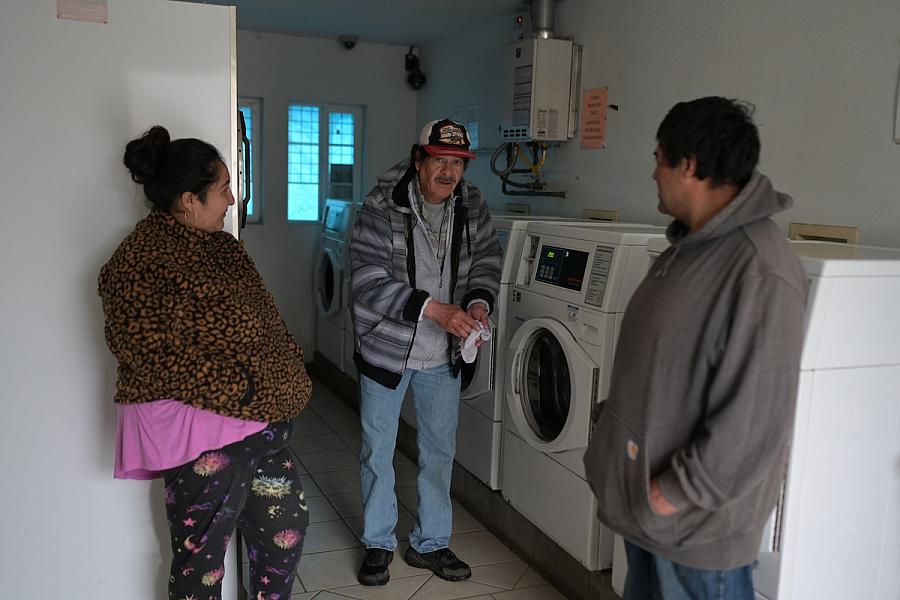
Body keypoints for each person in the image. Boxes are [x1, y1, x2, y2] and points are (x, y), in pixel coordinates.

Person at [583, 97, 808, 599]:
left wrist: (669, 495)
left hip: (695, 539)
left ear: (688, 165)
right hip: (651, 518)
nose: (652, 173)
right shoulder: (688, 250)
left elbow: (755, 425)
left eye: (658, 158)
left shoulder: (759, 268)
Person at [98, 126, 313, 600]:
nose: (233, 201)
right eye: (223, 190)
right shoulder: (139, 262)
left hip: (256, 426)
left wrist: (282, 370)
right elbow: (148, 353)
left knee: (287, 530)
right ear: (189, 200)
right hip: (204, 434)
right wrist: (244, 390)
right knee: (203, 562)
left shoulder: (222, 247)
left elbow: (264, 322)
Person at [348, 119, 502, 586]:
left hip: (443, 355)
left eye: (457, 163)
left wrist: (478, 302)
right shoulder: (380, 206)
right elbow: (366, 282)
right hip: (387, 350)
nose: (449, 172)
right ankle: (378, 542)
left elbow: (488, 259)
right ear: (419, 159)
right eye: (440, 160)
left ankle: (429, 543)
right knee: (379, 449)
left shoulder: (471, 204)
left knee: (439, 452)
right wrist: (435, 310)